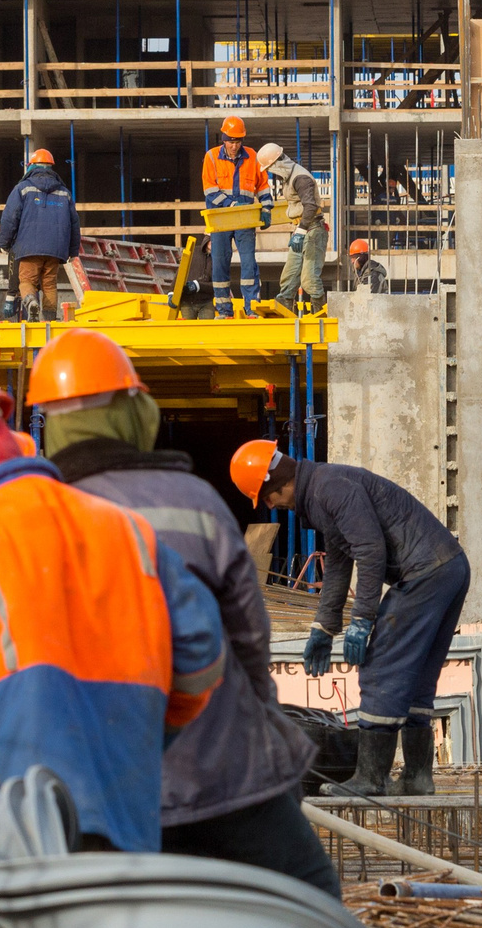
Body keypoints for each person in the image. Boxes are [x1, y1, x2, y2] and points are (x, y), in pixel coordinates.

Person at [0, 360, 226, 852]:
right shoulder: (125, 527)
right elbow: (201, 654)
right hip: (129, 820)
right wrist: (146, 728)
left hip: (18, 825)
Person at [27, 330, 338, 895]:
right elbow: (250, 643)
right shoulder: (195, 502)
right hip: (229, 776)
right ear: (136, 410)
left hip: (101, 801)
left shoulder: (32, 520)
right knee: (314, 907)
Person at [232, 439, 468, 798]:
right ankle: (418, 777)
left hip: (426, 573)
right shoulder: (323, 491)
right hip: (448, 569)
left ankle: (371, 778)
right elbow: (340, 564)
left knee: (382, 666)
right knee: (417, 677)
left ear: (276, 484)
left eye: (266, 498)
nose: (270, 506)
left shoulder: (330, 487)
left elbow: (370, 551)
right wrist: (323, 627)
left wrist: (362, 620)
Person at [0, 147, 80, 322]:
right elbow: (74, 223)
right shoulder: (65, 192)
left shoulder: (22, 188)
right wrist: (73, 251)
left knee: (26, 281)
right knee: (49, 284)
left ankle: (31, 303)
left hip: (29, 247)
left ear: (31, 166)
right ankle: (49, 319)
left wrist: (4, 243)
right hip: (55, 249)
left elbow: (10, 217)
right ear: (51, 167)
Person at [200, 117, 268, 316]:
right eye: (231, 141)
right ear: (224, 139)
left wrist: (267, 207)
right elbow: (209, 190)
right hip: (221, 219)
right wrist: (231, 205)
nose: (234, 146)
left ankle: (252, 307)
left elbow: (262, 186)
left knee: (249, 263)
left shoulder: (252, 156)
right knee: (220, 263)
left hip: (244, 219)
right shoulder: (211, 157)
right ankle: (223, 309)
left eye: (238, 141)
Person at [257, 142, 330, 310]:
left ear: (277, 164)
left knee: (309, 279)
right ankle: (284, 304)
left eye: (270, 169)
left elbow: (310, 206)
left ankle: (320, 312)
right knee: (289, 276)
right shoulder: (290, 177)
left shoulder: (300, 178)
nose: (270, 173)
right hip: (302, 229)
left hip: (312, 230)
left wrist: (300, 231)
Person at [173, 234, 217, 321]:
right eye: (211, 240)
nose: (213, 243)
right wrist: (171, 293)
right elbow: (180, 273)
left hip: (206, 302)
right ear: (207, 240)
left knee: (207, 331)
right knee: (188, 332)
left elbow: (218, 285)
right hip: (187, 301)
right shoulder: (193, 252)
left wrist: (198, 286)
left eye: (216, 240)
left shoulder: (219, 259)